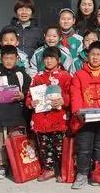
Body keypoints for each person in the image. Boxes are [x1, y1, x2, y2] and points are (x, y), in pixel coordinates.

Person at [70, 41, 100, 189]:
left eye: (98, 55)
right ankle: (82, 174)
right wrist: (78, 111)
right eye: (92, 54)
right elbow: (75, 95)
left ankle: (97, 173)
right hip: (84, 119)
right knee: (84, 147)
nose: (95, 57)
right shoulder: (79, 75)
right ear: (87, 56)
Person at [0, 45, 32, 180]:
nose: (8, 61)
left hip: (16, 116)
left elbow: (30, 91)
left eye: (11, 58)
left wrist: (23, 95)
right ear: (1, 59)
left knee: (17, 141)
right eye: (6, 58)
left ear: (17, 59)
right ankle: (2, 166)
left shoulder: (21, 74)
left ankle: (17, 165)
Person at [25, 46, 72, 182]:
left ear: (59, 60)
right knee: (45, 147)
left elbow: (72, 95)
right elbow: (29, 96)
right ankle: (48, 169)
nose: (49, 61)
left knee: (60, 147)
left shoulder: (65, 76)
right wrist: (31, 103)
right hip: (41, 119)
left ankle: (62, 170)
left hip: (59, 119)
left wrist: (64, 100)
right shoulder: (37, 77)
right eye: (46, 58)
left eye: (52, 58)